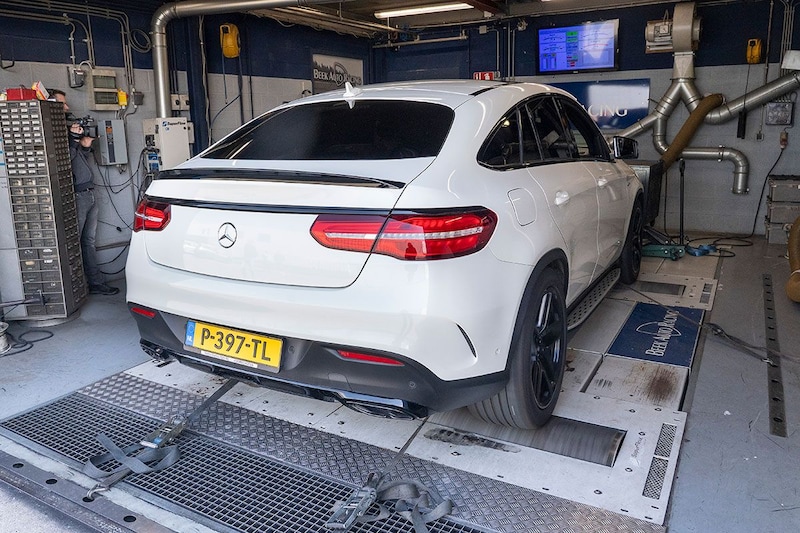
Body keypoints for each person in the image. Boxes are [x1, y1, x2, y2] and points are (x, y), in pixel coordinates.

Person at [51, 89, 119, 295]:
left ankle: (95, 283)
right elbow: (63, 163)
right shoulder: (54, 133)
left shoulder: (66, 130)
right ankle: (75, 288)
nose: (67, 108)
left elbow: (78, 159)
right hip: (76, 196)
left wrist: (86, 147)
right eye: (62, 104)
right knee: (74, 242)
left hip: (89, 192)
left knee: (88, 241)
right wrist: (72, 140)